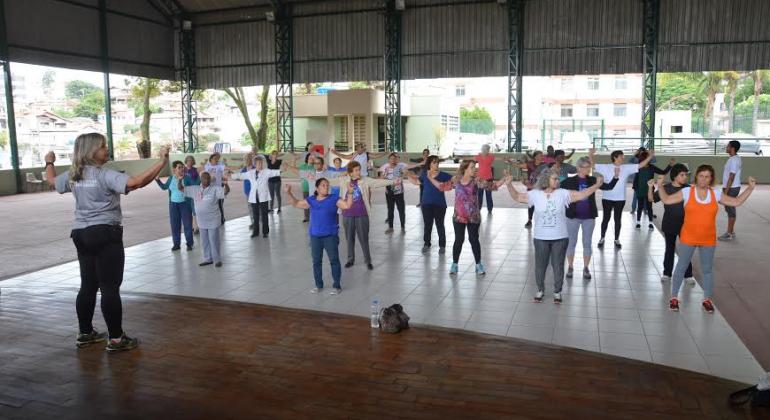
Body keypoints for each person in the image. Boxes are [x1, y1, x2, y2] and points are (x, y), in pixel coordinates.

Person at [45, 132, 170, 353]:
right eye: (103, 146)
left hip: (81, 235)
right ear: (92, 151)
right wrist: (161, 162)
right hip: (105, 233)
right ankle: (115, 339)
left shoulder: (74, 174)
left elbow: (52, 181)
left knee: (88, 285)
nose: (107, 149)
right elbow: (137, 182)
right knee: (110, 287)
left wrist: (49, 162)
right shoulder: (105, 175)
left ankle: (85, 333)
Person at [656, 166, 756, 313]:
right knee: (681, 267)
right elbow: (666, 199)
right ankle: (674, 298)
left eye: (707, 176)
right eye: (701, 176)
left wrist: (750, 188)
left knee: (707, 270)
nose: (704, 179)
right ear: (696, 177)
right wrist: (659, 185)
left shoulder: (715, 194)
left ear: (711, 178)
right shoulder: (686, 192)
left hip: (708, 238)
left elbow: (736, 202)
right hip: (688, 236)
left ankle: (707, 299)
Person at [505, 168, 606, 303]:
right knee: (540, 266)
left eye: (558, 179)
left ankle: (557, 292)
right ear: (546, 180)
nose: (558, 181)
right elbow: (517, 196)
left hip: (560, 237)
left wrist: (596, 186)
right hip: (541, 238)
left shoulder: (563, 194)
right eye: (555, 179)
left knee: (558, 266)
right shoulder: (535, 194)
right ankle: (540, 290)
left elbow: (582, 195)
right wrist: (508, 184)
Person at [426, 160, 508, 275]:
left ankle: (478, 264)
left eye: (475, 167)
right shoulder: (456, 180)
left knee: (474, 240)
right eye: (472, 167)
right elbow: (442, 186)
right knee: (458, 240)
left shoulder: (477, 181)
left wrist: (504, 178)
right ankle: (454, 264)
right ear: (465, 169)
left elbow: (492, 186)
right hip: (458, 217)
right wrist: (430, 178)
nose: (475, 169)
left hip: (473, 217)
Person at [285, 179, 354, 295]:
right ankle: (318, 285)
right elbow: (296, 203)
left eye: (327, 185)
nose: (326, 187)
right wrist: (289, 193)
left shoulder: (334, 199)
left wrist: (350, 193)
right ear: (317, 188)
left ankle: (337, 286)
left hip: (330, 236)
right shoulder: (311, 200)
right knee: (316, 262)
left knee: (334, 261)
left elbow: (347, 205)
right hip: (315, 237)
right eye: (323, 185)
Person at [560, 156, 620, 280]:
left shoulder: (593, 180)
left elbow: (608, 187)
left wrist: (616, 177)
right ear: (578, 168)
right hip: (572, 217)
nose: (588, 169)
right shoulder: (568, 181)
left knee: (587, 243)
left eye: (589, 167)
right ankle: (570, 267)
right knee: (571, 243)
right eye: (586, 167)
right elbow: (556, 190)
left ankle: (586, 268)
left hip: (589, 217)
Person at [333, 161, 393, 270]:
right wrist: (315, 179)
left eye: (359, 169)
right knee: (349, 238)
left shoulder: (365, 180)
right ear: (350, 173)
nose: (358, 172)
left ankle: (368, 260)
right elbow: (330, 181)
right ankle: (350, 259)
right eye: (356, 170)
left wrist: (392, 181)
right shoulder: (343, 181)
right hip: (347, 214)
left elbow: (377, 182)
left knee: (364, 238)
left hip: (362, 214)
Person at [594, 149, 653, 249]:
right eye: (621, 156)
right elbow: (593, 165)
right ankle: (602, 237)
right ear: (615, 157)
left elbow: (640, 165)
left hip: (620, 199)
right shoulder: (606, 167)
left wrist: (650, 157)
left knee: (618, 219)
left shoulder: (626, 168)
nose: (623, 157)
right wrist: (591, 154)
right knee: (606, 218)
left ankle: (617, 239)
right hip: (607, 198)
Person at [647, 164, 695, 285]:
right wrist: (650, 187)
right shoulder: (665, 188)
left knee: (686, 250)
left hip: (685, 224)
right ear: (674, 176)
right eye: (682, 175)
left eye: (686, 175)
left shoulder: (689, 188)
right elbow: (651, 199)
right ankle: (667, 273)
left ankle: (688, 274)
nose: (685, 177)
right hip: (669, 223)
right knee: (670, 249)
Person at [406, 155, 452, 254]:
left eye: (437, 162)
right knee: (427, 225)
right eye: (434, 162)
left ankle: (442, 246)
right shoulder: (424, 174)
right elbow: (416, 182)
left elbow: (453, 182)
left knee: (440, 225)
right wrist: (408, 175)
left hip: (440, 204)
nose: (436, 164)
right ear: (429, 164)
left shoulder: (443, 175)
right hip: (426, 204)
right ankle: (426, 244)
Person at [230, 155, 281, 238]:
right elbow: (241, 175)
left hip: (263, 197)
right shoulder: (251, 173)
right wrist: (231, 176)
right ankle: (255, 232)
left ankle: (265, 232)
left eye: (261, 163)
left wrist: (283, 170)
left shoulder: (266, 171)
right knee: (255, 215)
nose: (260, 165)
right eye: (258, 163)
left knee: (264, 215)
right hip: (254, 197)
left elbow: (275, 172)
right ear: (255, 164)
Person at [185, 172, 226, 267]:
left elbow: (225, 192)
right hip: (201, 220)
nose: (206, 180)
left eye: (208, 178)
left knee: (213, 239)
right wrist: (179, 180)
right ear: (200, 179)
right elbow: (181, 189)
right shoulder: (195, 189)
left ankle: (217, 259)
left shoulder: (215, 189)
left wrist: (226, 184)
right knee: (204, 240)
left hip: (213, 219)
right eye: (204, 178)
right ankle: (208, 258)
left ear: (210, 179)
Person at [155, 160, 195, 251]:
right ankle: (176, 244)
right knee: (175, 225)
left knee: (187, 224)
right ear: (174, 170)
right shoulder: (171, 178)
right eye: (179, 167)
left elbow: (195, 186)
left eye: (182, 167)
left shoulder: (187, 178)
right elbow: (164, 187)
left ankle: (189, 243)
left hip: (185, 204)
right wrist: (157, 180)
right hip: (173, 205)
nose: (182, 169)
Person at [379, 152, 419, 234]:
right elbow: (381, 179)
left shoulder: (400, 167)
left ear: (397, 160)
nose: (393, 160)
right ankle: (390, 228)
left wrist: (408, 173)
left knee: (401, 210)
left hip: (399, 192)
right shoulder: (385, 168)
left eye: (394, 159)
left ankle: (403, 227)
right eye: (391, 159)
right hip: (389, 192)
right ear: (389, 160)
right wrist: (384, 175)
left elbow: (406, 172)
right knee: (390, 210)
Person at [633, 152, 674, 230]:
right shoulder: (638, 167)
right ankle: (638, 222)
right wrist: (635, 188)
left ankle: (650, 223)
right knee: (640, 207)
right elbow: (636, 179)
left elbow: (663, 172)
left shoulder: (651, 167)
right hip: (640, 190)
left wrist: (670, 165)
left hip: (649, 190)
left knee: (649, 207)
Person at [509, 151, 548, 228]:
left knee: (542, 203)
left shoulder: (544, 165)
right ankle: (529, 220)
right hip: (531, 186)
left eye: (542, 155)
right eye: (540, 155)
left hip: (542, 187)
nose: (541, 157)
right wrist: (510, 161)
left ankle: (543, 220)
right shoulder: (530, 164)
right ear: (535, 157)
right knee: (531, 204)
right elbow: (518, 165)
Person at [719, 140, 742, 241]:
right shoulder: (734, 158)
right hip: (731, 187)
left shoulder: (734, 160)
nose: (726, 147)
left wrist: (726, 191)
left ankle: (729, 233)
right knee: (729, 210)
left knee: (731, 211)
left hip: (731, 188)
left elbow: (731, 176)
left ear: (732, 148)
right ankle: (731, 231)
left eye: (728, 146)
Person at [204, 152, 230, 225]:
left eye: (217, 158)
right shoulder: (207, 166)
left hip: (218, 188)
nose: (216, 160)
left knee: (219, 204)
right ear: (211, 159)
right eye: (215, 158)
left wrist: (237, 167)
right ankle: (212, 218)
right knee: (210, 204)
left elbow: (228, 167)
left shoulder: (219, 166)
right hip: (210, 189)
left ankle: (221, 219)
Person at [183, 155, 201, 234]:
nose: (189, 162)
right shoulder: (183, 170)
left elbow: (198, 181)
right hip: (185, 191)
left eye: (191, 160)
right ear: (186, 161)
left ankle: (196, 227)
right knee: (187, 211)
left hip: (193, 192)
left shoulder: (195, 170)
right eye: (188, 160)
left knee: (194, 210)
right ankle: (189, 227)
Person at [240, 152, 256, 228]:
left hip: (255, 191)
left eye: (248, 159)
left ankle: (259, 221)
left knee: (256, 207)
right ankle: (253, 222)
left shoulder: (255, 168)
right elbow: (240, 177)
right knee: (250, 207)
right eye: (245, 159)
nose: (247, 160)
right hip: (247, 191)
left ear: (251, 159)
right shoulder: (244, 169)